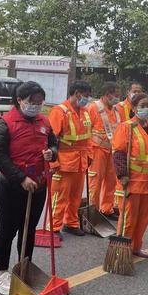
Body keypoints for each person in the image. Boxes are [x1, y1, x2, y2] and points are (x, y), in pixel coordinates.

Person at [0, 81, 57, 295]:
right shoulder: (6, 123)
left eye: (39, 102)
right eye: (31, 102)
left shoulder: (45, 122)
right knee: (7, 230)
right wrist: (20, 178)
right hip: (11, 187)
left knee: (28, 231)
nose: (36, 106)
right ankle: (2, 272)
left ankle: (24, 267)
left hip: (38, 187)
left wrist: (52, 153)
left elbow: (54, 144)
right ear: (19, 101)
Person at [112, 93, 148, 258]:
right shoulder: (126, 127)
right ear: (134, 108)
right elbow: (119, 153)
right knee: (128, 219)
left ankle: (136, 247)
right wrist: (122, 175)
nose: (146, 109)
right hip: (131, 181)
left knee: (143, 218)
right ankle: (122, 250)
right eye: (142, 106)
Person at [49, 80, 92, 237]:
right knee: (60, 196)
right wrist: (53, 162)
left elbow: (88, 138)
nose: (87, 99)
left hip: (80, 161)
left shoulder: (85, 112)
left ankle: (71, 223)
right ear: (77, 94)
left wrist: (90, 156)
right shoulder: (59, 111)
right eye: (86, 96)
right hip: (64, 162)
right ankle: (53, 227)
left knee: (75, 196)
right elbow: (51, 139)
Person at [87, 82, 120, 220]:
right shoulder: (94, 108)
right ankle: (92, 211)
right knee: (95, 181)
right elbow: (87, 131)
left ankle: (107, 208)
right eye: (115, 95)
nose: (117, 98)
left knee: (111, 181)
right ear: (107, 94)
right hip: (97, 150)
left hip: (112, 150)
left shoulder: (116, 110)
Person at [113, 81, 144, 207]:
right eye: (134, 91)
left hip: (134, 148)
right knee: (119, 177)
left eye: (139, 91)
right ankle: (117, 205)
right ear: (128, 93)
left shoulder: (141, 107)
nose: (136, 94)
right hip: (121, 145)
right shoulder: (118, 108)